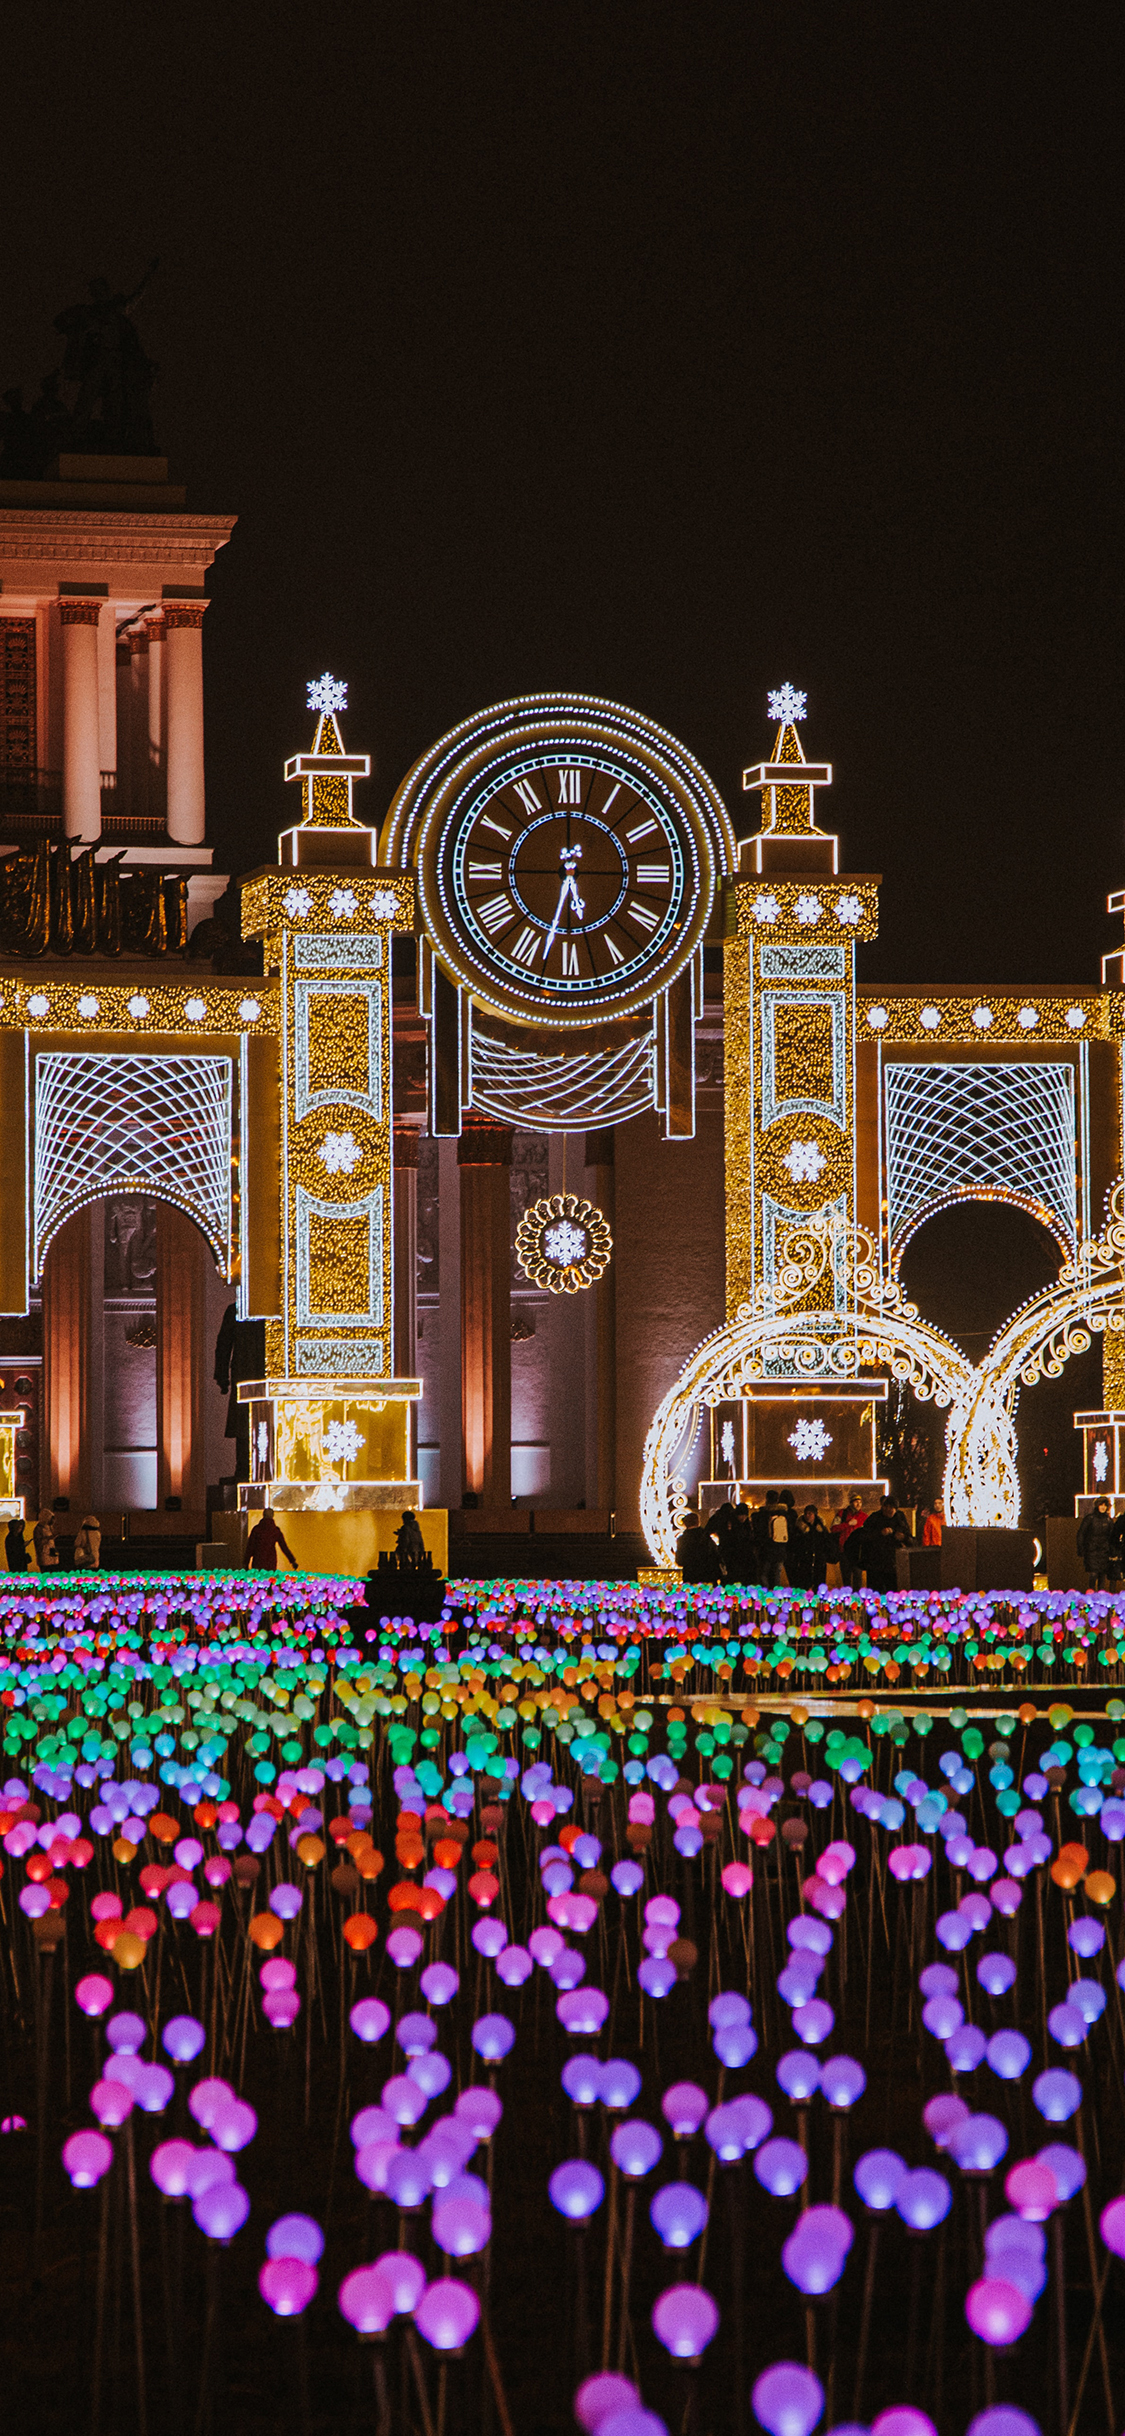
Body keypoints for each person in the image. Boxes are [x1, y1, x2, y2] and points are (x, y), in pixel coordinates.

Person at [674, 1509, 723, 1586]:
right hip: (707, 1576)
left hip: (690, 1576)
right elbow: (715, 1554)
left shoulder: (683, 1539)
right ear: (698, 1522)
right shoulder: (705, 1536)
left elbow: (680, 1560)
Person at [246, 1506, 298, 1572]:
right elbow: (284, 1547)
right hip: (271, 1561)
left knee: (258, 1580)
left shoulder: (256, 1529)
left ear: (263, 1515)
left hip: (258, 1560)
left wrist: (246, 1562)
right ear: (272, 1516)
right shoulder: (275, 1530)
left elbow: (250, 1547)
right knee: (270, 1580)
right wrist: (292, 1561)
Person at [1077, 1497, 1114, 1590]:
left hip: (1104, 1552)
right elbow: (1081, 1533)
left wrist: (1111, 1550)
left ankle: (1101, 1597)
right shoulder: (1090, 1519)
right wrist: (1081, 1548)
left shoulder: (1108, 1520)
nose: (1103, 1507)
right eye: (1101, 1505)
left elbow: (1112, 1536)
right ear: (1097, 1506)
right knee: (1093, 1574)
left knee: (1102, 1575)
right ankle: (1091, 1594)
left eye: (1105, 1505)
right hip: (1092, 1551)